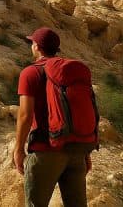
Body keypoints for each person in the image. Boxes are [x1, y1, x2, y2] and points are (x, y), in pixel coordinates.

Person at [13, 27, 95, 207]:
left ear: (36, 46)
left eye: (32, 43)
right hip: (76, 151)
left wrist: (18, 149)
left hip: (45, 151)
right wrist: (85, 151)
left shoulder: (30, 73)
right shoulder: (70, 73)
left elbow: (25, 115)